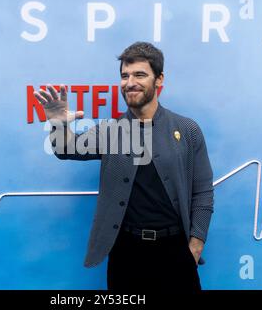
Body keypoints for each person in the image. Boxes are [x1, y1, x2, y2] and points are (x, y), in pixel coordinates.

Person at [34, 42, 214, 291]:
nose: (130, 82)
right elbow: (66, 149)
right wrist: (58, 125)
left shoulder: (188, 130)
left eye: (140, 74)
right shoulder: (110, 131)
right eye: (124, 75)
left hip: (175, 250)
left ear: (159, 79)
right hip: (126, 252)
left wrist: (196, 244)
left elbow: (203, 191)